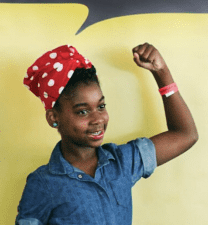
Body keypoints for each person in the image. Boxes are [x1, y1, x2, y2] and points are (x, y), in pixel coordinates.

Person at [16, 43, 197, 225]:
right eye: (82, 111)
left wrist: (161, 72)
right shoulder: (43, 184)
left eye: (101, 106)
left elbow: (185, 134)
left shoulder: (122, 162)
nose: (98, 119)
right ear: (53, 117)